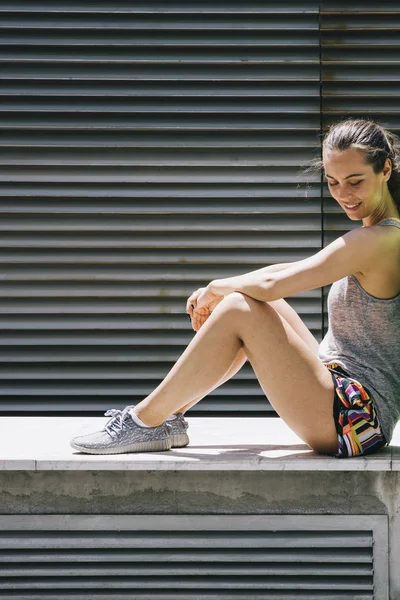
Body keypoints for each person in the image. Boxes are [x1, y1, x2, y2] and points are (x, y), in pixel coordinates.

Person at [70, 118, 400, 458]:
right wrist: (225, 289)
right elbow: (291, 270)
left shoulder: (382, 239)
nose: (343, 194)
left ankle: (142, 420)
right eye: (332, 182)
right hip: (344, 396)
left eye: (355, 181)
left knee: (241, 308)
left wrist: (218, 288)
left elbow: (275, 282)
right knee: (251, 302)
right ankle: (168, 418)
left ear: (385, 169)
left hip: (356, 419)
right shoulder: (376, 235)